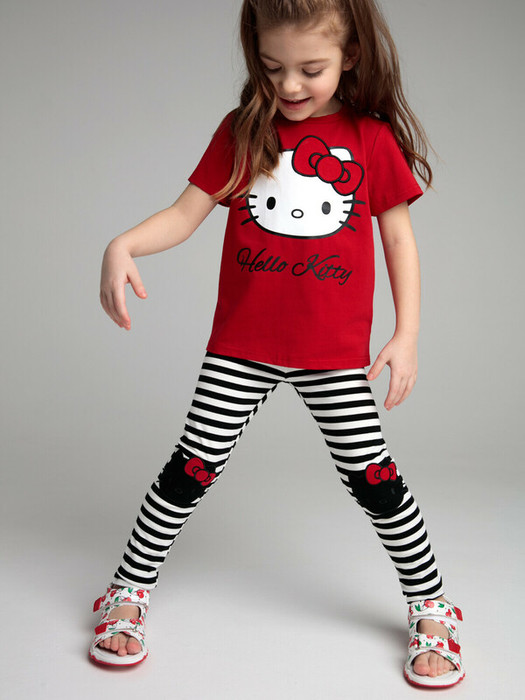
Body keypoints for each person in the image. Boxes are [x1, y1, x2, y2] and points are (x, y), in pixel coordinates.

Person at [90, 0, 464, 688]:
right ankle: (128, 589)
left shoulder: (369, 138)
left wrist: (406, 334)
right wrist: (124, 243)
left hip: (334, 356)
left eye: (310, 70)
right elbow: (184, 214)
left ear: (350, 56)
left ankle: (431, 605)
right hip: (241, 348)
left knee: (375, 481)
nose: (289, 86)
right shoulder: (242, 131)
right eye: (271, 67)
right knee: (187, 471)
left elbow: (398, 238)